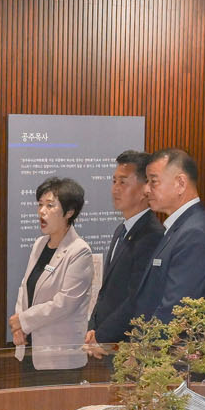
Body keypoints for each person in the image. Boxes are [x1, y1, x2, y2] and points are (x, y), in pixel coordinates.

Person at [10, 176, 100, 383]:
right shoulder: (39, 244)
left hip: (60, 358)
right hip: (30, 350)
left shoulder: (79, 251)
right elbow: (25, 287)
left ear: (69, 212)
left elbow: (64, 303)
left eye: (50, 206)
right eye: (40, 205)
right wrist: (18, 327)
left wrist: (23, 321)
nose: (42, 211)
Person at [128, 148, 205, 324]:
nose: (146, 189)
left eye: (153, 181)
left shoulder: (195, 233)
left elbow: (175, 310)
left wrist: (145, 339)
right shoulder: (181, 227)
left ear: (180, 183)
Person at [85, 149, 163, 352]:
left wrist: (102, 336)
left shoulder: (152, 235)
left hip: (127, 346)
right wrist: (93, 328)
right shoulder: (121, 230)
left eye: (123, 182)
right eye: (114, 181)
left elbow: (136, 298)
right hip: (107, 340)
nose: (115, 189)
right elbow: (106, 291)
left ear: (145, 188)